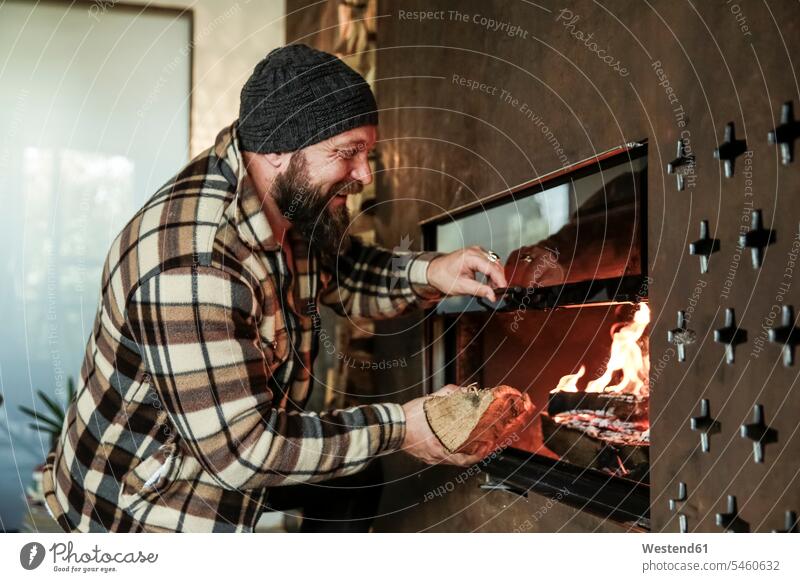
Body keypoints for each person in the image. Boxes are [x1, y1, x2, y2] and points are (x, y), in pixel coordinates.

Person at [41, 44, 507, 533]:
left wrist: (434, 271)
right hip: (140, 513)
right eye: (347, 154)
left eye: (366, 153)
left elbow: (342, 276)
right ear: (278, 149)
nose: (364, 176)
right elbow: (244, 451)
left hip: (221, 453)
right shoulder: (195, 265)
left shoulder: (286, 198)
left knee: (353, 478)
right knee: (352, 454)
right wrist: (403, 427)